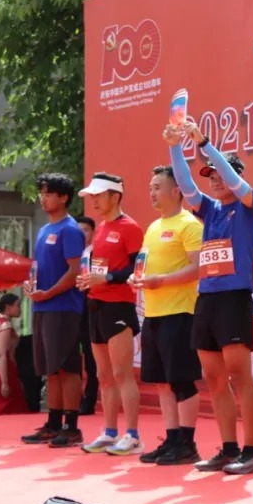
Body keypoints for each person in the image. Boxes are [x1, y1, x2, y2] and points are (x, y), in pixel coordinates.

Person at [167, 119, 253, 474]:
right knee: (213, 377)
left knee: (239, 375)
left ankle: (252, 452)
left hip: (234, 297)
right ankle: (228, 448)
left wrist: (204, 143)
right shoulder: (209, 210)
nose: (215, 179)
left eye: (220, 174)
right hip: (206, 298)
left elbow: (234, 181)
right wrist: (175, 146)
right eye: (210, 176)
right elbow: (185, 185)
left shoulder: (251, 204)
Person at [129, 165, 204, 466]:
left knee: (182, 380)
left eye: (157, 187)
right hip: (154, 313)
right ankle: (172, 440)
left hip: (180, 312)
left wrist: (161, 281)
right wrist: (138, 278)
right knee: (162, 381)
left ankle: (187, 443)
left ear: (177, 190)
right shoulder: (152, 227)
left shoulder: (190, 224)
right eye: (150, 188)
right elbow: (146, 265)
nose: (152, 193)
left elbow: (198, 268)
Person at [77, 173, 145, 456]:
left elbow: (136, 269)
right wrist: (88, 281)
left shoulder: (130, 228)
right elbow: (99, 267)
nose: (93, 200)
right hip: (95, 305)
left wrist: (106, 279)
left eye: (99, 195)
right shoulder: (101, 228)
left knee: (121, 373)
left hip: (119, 306)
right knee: (103, 375)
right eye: (91, 196)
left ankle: (133, 435)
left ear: (115, 196)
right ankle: (109, 431)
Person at [21, 173, 86, 448]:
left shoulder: (70, 230)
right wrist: (32, 284)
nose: (43, 198)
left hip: (63, 308)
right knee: (51, 369)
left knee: (66, 366)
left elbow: (75, 271)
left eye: (48, 194)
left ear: (64, 197)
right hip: (42, 305)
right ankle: (53, 423)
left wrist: (48, 293)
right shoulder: (43, 230)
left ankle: (71, 427)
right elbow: (39, 267)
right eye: (42, 193)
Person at [0, 293, 30, 416]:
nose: (20, 309)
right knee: (14, 412)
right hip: (4, 372)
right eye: (17, 305)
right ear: (8, 307)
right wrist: (4, 382)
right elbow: (1, 354)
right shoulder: (5, 325)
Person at [76, 215, 100, 415]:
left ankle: (89, 400)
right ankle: (72, 399)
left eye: (85, 230)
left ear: (93, 233)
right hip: (70, 309)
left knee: (92, 359)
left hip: (90, 308)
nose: (82, 234)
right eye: (78, 230)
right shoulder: (69, 253)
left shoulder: (96, 253)